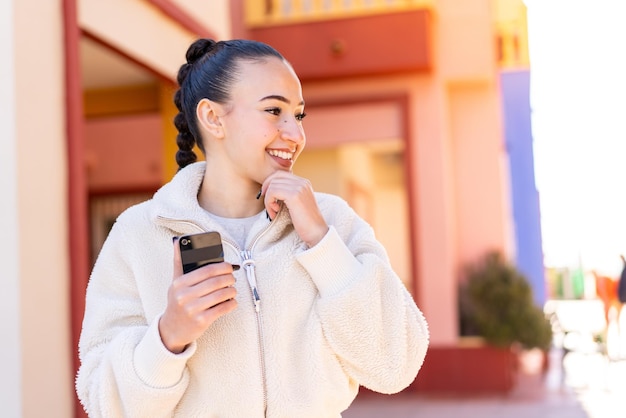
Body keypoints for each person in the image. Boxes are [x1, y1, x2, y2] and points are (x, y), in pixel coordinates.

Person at [75, 38, 429, 417]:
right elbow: (102, 401)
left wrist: (322, 244)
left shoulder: (332, 221)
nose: (295, 134)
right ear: (213, 118)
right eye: (274, 110)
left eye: (299, 115)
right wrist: (167, 338)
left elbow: (395, 366)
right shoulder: (139, 234)